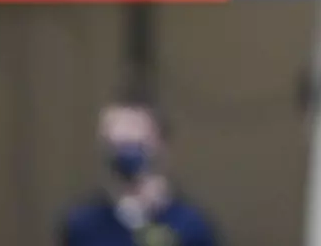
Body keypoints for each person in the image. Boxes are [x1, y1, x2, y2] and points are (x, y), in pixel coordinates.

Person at [62, 97, 219, 246]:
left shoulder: (190, 226)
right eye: (115, 144)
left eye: (135, 144)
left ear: (161, 146)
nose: (124, 155)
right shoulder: (83, 225)